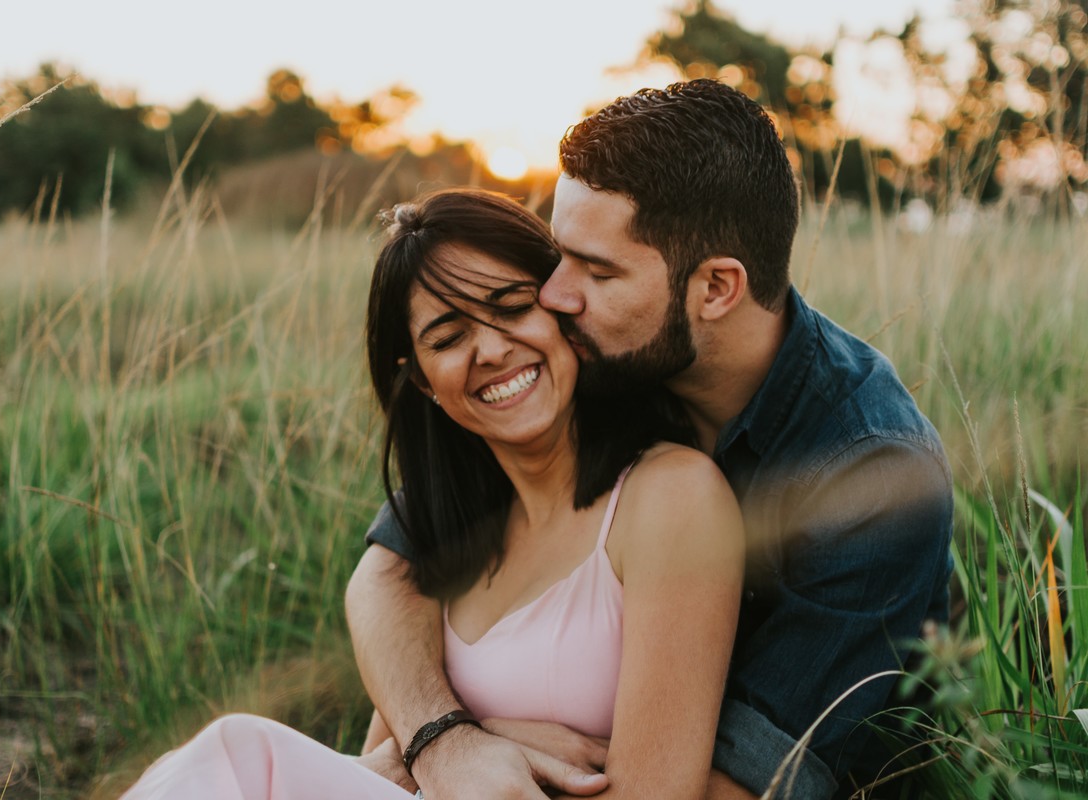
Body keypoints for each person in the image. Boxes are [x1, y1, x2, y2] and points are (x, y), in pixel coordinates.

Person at [347, 80, 954, 799]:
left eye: (596, 270)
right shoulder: (606, 351)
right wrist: (444, 740)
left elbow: (748, 783)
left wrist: (497, 740)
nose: (553, 296)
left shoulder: (870, 472)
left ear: (716, 289)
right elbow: (392, 571)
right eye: (559, 255)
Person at [120, 187, 746, 799]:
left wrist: (474, 744)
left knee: (236, 753)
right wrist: (470, 741)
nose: (493, 350)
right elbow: (385, 768)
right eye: (448, 339)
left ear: (563, 309)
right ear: (421, 381)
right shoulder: (446, 539)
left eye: (511, 306)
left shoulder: (669, 498)